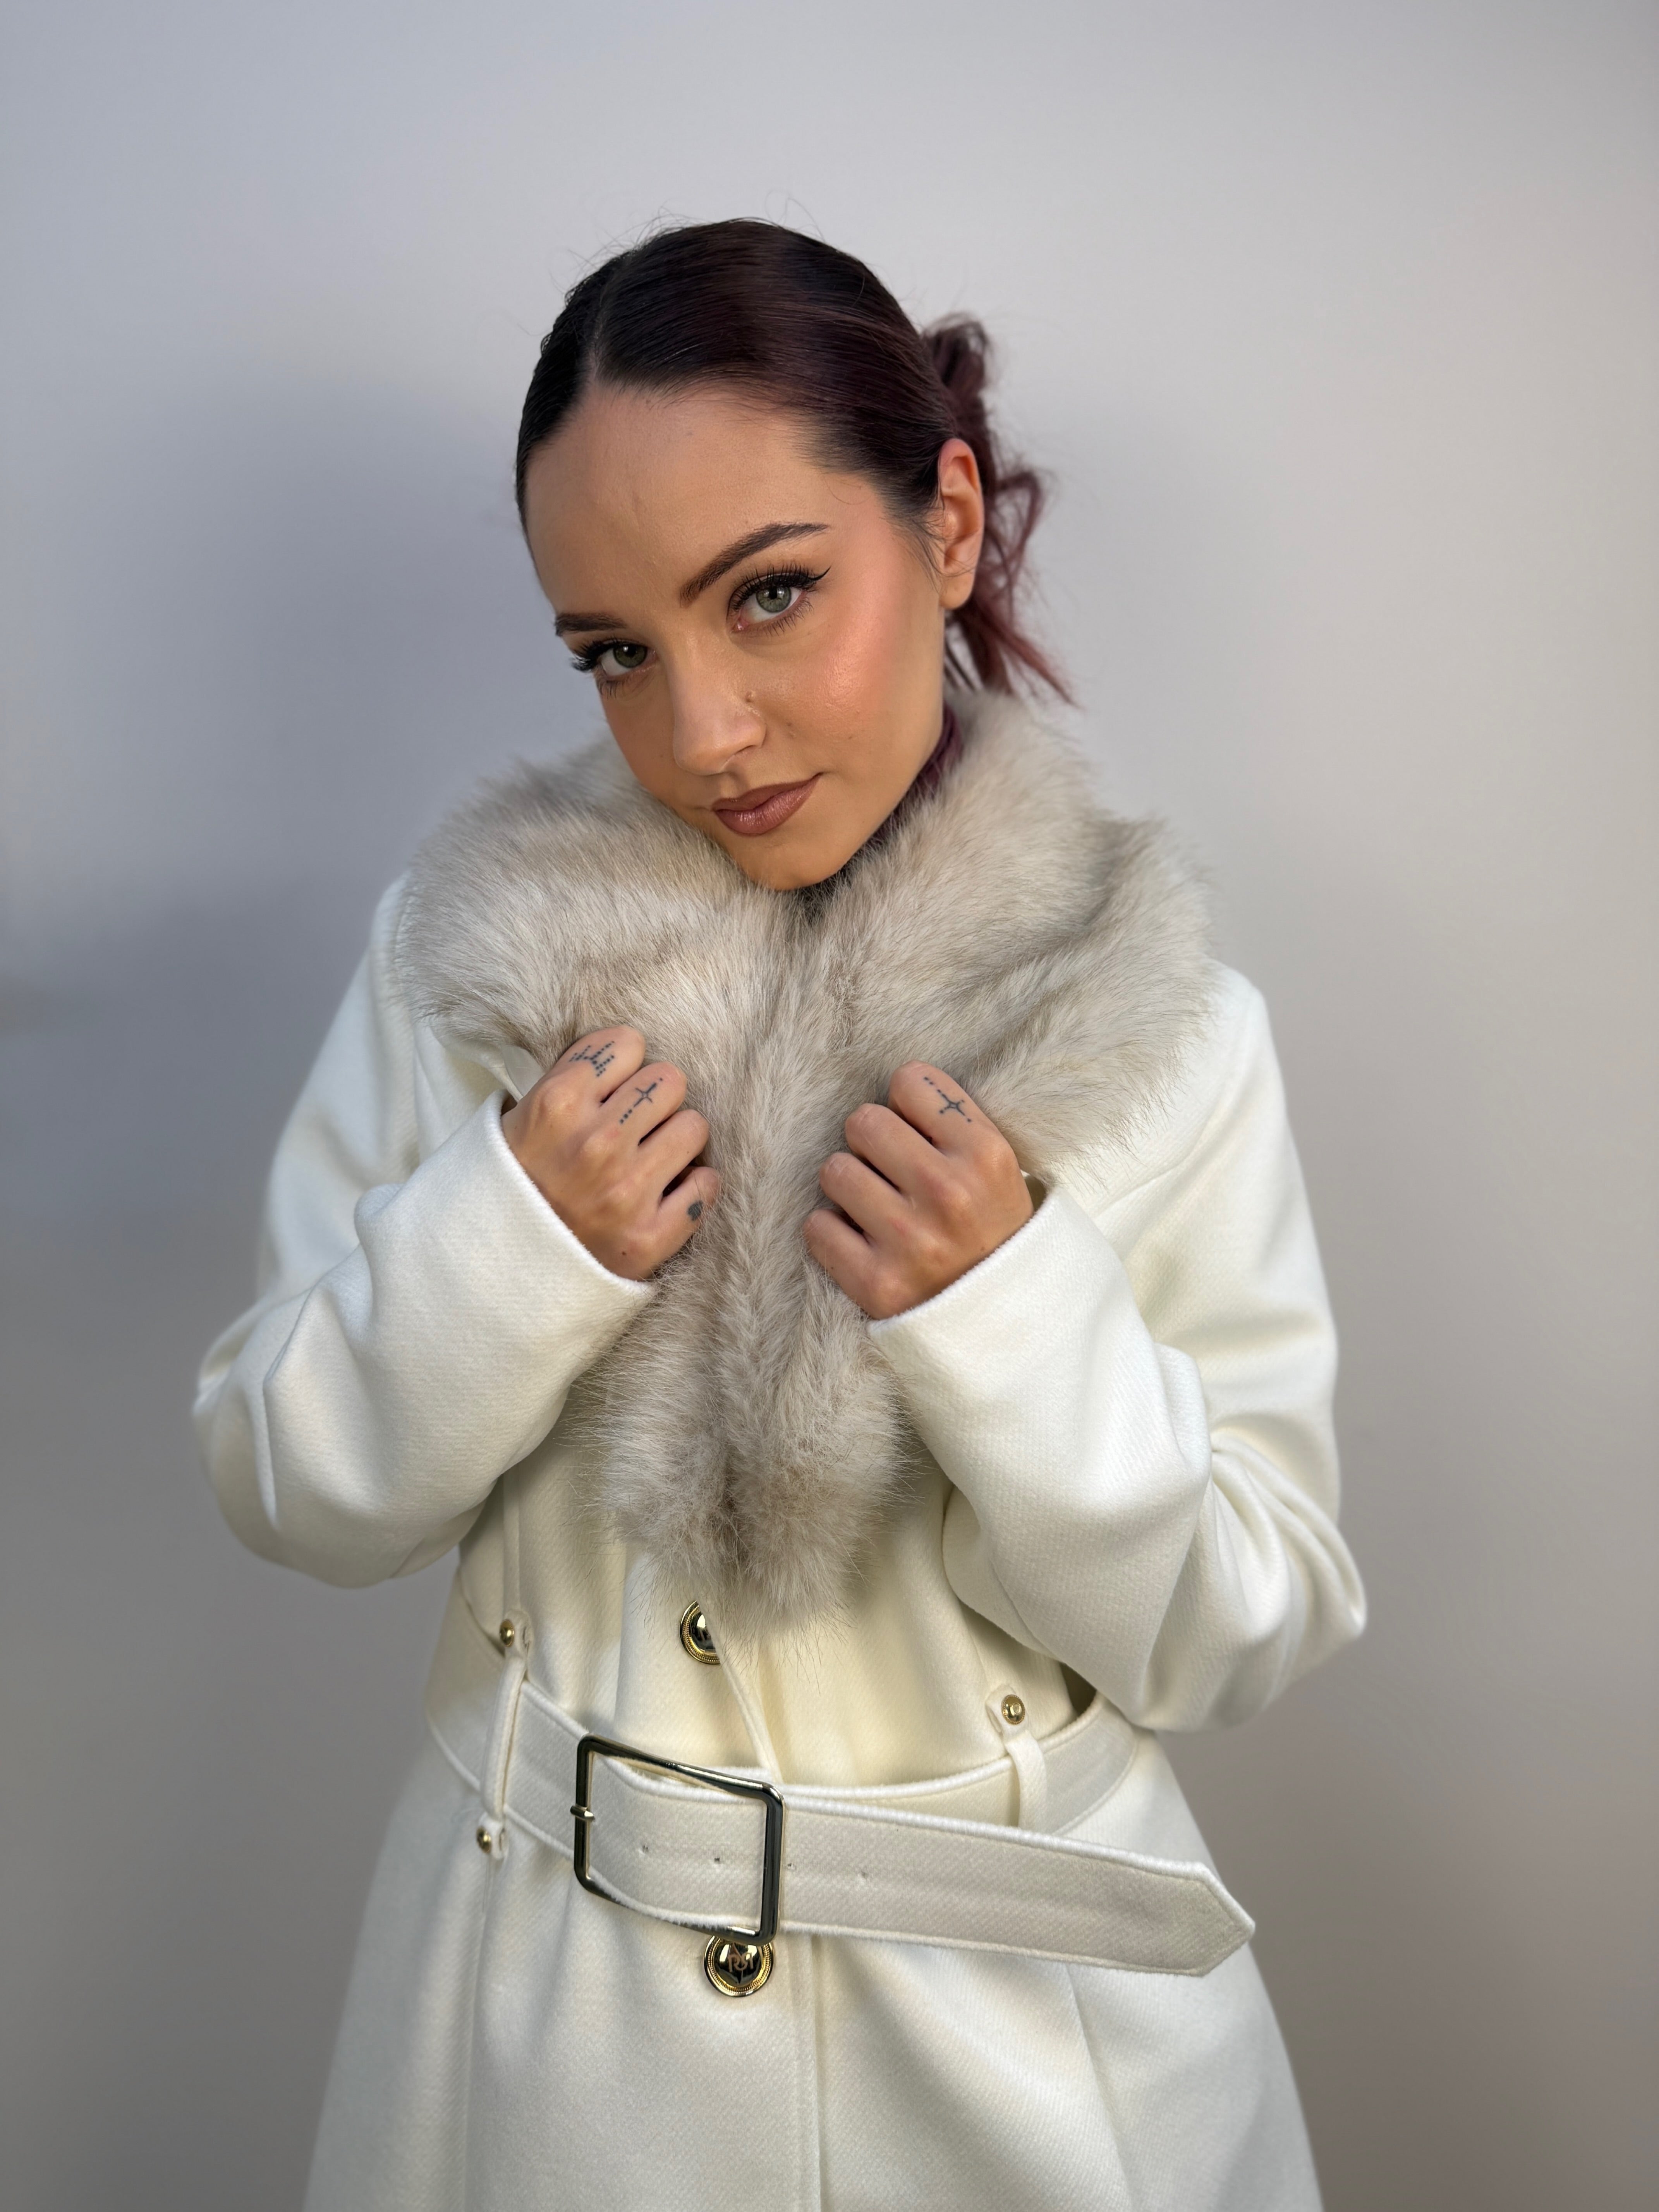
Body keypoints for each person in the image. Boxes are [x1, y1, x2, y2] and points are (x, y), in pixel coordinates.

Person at [196, 218, 1365, 2212]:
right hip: (543, 2055)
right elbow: (288, 1487)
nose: (701, 733)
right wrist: (512, 1240)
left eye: (770, 595)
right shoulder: (470, 972)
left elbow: (1248, 1622)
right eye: (615, 653)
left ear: (950, 522)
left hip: (1037, 2069)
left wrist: (1010, 1312)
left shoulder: (1160, 1027)